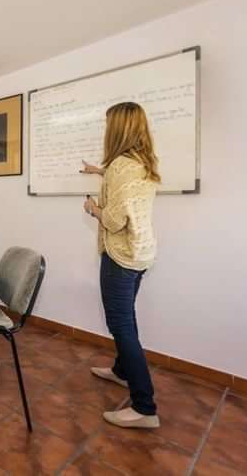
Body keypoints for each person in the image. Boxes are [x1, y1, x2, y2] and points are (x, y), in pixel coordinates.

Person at [81, 102, 161, 429]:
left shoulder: (119, 166)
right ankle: (121, 372)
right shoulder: (142, 163)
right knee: (127, 316)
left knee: (121, 325)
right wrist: (99, 172)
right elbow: (127, 190)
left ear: (117, 129)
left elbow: (113, 220)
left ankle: (145, 407)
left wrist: (92, 207)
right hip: (141, 254)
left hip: (119, 256)